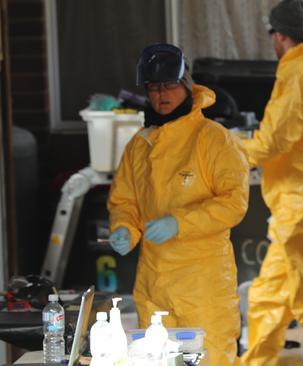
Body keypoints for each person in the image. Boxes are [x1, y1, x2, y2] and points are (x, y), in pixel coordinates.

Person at [107, 43, 249, 366]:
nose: (162, 94)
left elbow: (234, 202)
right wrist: (124, 229)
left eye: (169, 85)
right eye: (154, 87)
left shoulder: (214, 139)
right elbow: (124, 200)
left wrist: (180, 223)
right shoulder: (139, 146)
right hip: (154, 283)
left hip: (204, 286)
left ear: (186, 85)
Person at [241, 1, 303, 365]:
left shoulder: (299, 70)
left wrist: (232, 152)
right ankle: (254, 361)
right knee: (272, 295)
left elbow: (275, 139)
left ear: (280, 36)